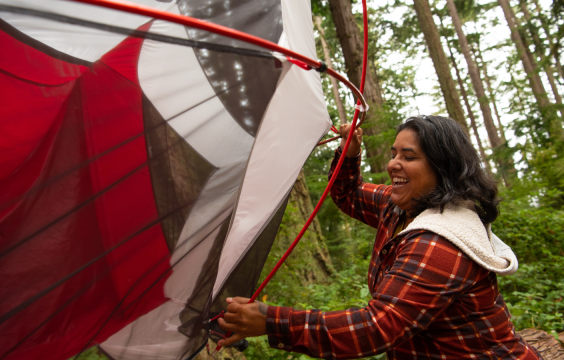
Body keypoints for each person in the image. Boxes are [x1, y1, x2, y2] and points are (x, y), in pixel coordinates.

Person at [218, 115, 541, 359]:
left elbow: (377, 328)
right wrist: (349, 153)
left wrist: (271, 320)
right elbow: (349, 195)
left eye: (409, 157)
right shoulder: (402, 207)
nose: (392, 164)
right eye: (394, 153)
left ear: (443, 167)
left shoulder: (440, 241)